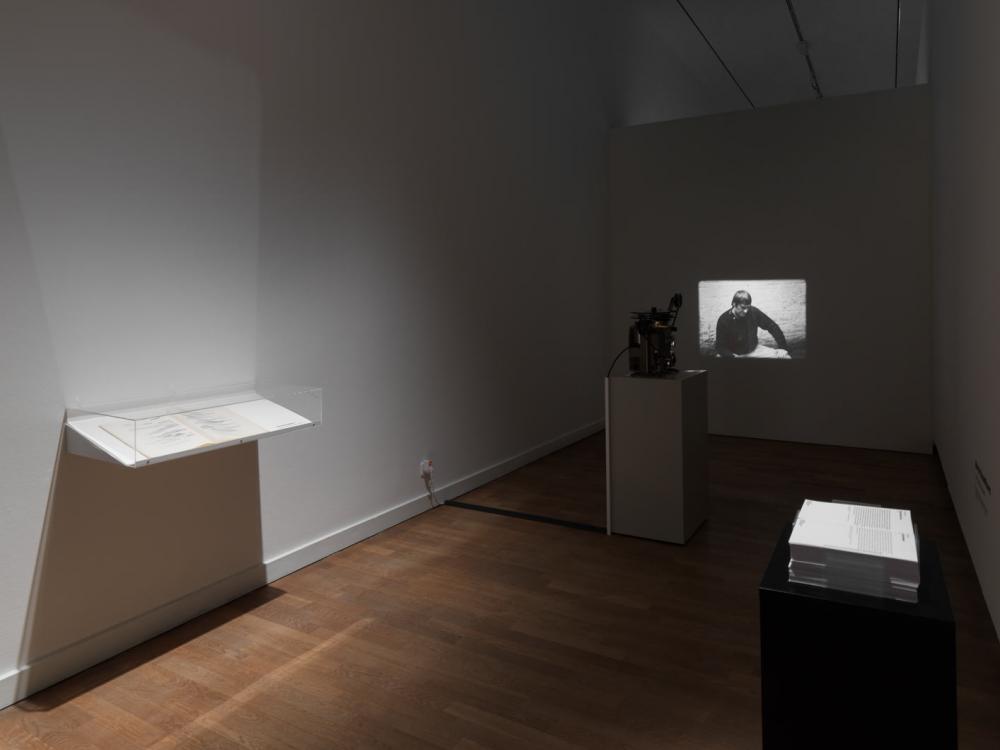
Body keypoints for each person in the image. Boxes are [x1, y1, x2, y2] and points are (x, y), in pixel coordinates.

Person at [715, 290, 788, 357]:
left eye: (748, 307)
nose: (746, 311)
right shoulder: (723, 320)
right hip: (733, 354)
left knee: (785, 356)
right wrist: (731, 356)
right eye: (743, 307)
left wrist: (783, 347)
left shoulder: (753, 312)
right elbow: (720, 346)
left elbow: (772, 326)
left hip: (754, 351)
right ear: (734, 304)